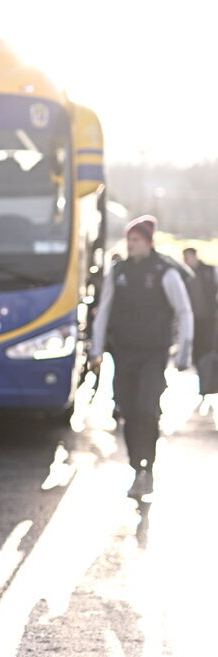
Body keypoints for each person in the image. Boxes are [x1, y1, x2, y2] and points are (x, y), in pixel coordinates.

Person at [88, 215, 193, 501]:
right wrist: (96, 350)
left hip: (153, 353)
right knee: (128, 412)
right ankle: (137, 468)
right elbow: (103, 311)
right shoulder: (118, 271)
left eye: (135, 240)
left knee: (148, 409)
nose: (130, 245)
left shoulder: (165, 272)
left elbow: (184, 312)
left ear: (148, 242)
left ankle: (148, 467)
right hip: (124, 353)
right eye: (128, 240)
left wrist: (184, 351)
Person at [181, 247, 218, 364]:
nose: (186, 260)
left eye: (188, 257)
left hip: (210, 318)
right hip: (193, 319)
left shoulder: (210, 270)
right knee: (197, 351)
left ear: (194, 256)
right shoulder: (184, 274)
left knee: (209, 349)